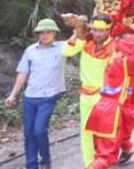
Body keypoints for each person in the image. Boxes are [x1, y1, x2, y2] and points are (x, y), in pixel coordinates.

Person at [5, 18, 66, 169]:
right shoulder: (31, 50)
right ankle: (31, 165)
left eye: (48, 32)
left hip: (49, 97)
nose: (45, 35)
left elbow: (81, 37)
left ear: (55, 33)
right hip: (30, 97)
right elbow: (23, 73)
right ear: (37, 34)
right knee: (28, 133)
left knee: (39, 130)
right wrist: (13, 94)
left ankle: (45, 159)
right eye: (41, 32)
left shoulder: (63, 47)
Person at [85, 28, 134, 169]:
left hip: (102, 107)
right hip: (113, 110)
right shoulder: (126, 62)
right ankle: (124, 148)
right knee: (105, 156)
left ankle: (126, 147)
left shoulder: (111, 54)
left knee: (104, 145)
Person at [62, 14, 116, 166]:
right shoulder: (85, 41)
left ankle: (102, 162)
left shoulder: (114, 47)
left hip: (104, 96)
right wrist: (78, 32)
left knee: (103, 134)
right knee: (86, 132)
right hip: (85, 95)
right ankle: (89, 164)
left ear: (108, 30)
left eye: (101, 31)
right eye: (94, 30)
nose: (97, 34)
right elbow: (66, 51)